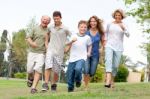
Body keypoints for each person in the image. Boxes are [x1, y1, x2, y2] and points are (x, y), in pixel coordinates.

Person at [42, 11, 71, 92]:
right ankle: (45, 84)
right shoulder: (50, 27)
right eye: (54, 19)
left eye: (57, 19)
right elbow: (47, 34)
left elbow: (72, 38)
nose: (56, 20)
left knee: (56, 70)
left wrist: (68, 47)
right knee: (48, 65)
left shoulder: (65, 28)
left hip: (59, 52)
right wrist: (46, 44)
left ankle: (54, 85)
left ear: (61, 18)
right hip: (50, 49)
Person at [104, 9, 129, 88]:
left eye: (119, 15)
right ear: (114, 16)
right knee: (108, 60)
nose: (117, 17)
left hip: (119, 47)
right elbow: (106, 33)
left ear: (122, 16)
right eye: (116, 15)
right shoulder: (109, 24)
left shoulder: (124, 25)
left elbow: (128, 35)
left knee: (115, 65)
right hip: (109, 45)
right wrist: (105, 41)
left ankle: (112, 80)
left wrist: (123, 28)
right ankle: (108, 79)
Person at [26, 15, 50, 94]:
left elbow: (48, 42)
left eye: (47, 20)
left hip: (41, 53)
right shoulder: (35, 28)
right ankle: (30, 77)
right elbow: (28, 37)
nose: (45, 21)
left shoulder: (48, 31)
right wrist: (32, 43)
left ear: (49, 22)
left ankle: (33, 88)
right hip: (32, 52)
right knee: (29, 69)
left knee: (38, 69)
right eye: (44, 19)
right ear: (41, 20)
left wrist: (48, 52)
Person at [67, 20, 92, 92]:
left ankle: (78, 80)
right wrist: (72, 41)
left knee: (78, 69)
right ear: (78, 27)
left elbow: (90, 45)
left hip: (82, 57)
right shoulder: (73, 36)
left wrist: (89, 52)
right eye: (81, 27)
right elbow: (68, 44)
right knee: (70, 73)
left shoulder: (87, 37)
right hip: (72, 58)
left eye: (85, 27)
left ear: (86, 28)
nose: (83, 28)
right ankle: (70, 87)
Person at [83, 16, 104, 89]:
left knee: (92, 72)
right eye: (91, 21)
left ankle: (85, 81)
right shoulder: (86, 31)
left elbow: (103, 42)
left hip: (95, 54)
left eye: (94, 21)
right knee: (86, 70)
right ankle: (86, 86)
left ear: (97, 22)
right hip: (86, 54)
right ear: (89, 22)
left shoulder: (100, 32)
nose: (93, 23)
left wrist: (102, 48)